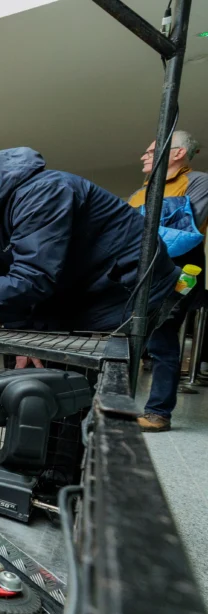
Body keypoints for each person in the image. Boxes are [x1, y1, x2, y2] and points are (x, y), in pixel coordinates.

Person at [0, 147, 180, 335]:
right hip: (77, 290)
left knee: (82, 384)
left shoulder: (43, 193)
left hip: (127, 289)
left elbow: (32, 279)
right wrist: (22, 335)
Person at [127, 131, 207, 432]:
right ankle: (121, 403)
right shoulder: (141, 191)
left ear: (176, 153)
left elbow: (185, 232)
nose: (144, 156)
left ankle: (159, 412)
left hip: (180, 273)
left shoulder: (198, 182)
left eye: (151, 150)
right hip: (141, 273)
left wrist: (141, 226)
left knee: (162, 335)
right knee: (132, 336)